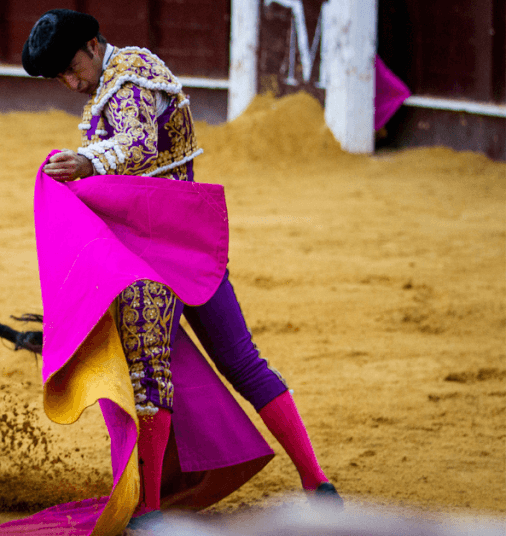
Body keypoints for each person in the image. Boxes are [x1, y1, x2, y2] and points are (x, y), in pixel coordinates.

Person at [18, 7, 341, 525]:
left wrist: (87, 163)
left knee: (150, 377)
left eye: (70, 67)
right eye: (58, 76)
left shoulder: (124, 81)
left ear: (94, 45)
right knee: (242, 361)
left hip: (151, 250)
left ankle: (149, 511)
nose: (69, 81)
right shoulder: (133, 71)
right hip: (187, 239)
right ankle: (316, 482)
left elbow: (138, 147)